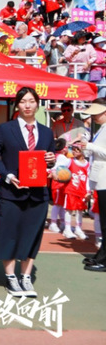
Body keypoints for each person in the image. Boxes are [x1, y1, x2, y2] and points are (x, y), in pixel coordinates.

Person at [0, 87, 55, 296]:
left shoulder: (46, 132)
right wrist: (8, 176)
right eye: (23, 101)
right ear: (17, 105)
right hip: (11, 191)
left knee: (32, 233)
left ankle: (26, 277)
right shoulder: (5, 129)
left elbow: (50, 159)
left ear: (37, 104)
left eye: (31, 101)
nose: (27, 105)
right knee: (8, 233)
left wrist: (51, 160)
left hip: (38, 194)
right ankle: (10, 276)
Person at [79, 100, 106, 272]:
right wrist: (85, 147)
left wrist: (90, 146)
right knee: (103, 221)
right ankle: (101, 255)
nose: (94, 117)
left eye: (97, 113)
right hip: (100, 178)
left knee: (105, 222)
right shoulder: (101, 128)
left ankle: (104, 259)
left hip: (104, 178)